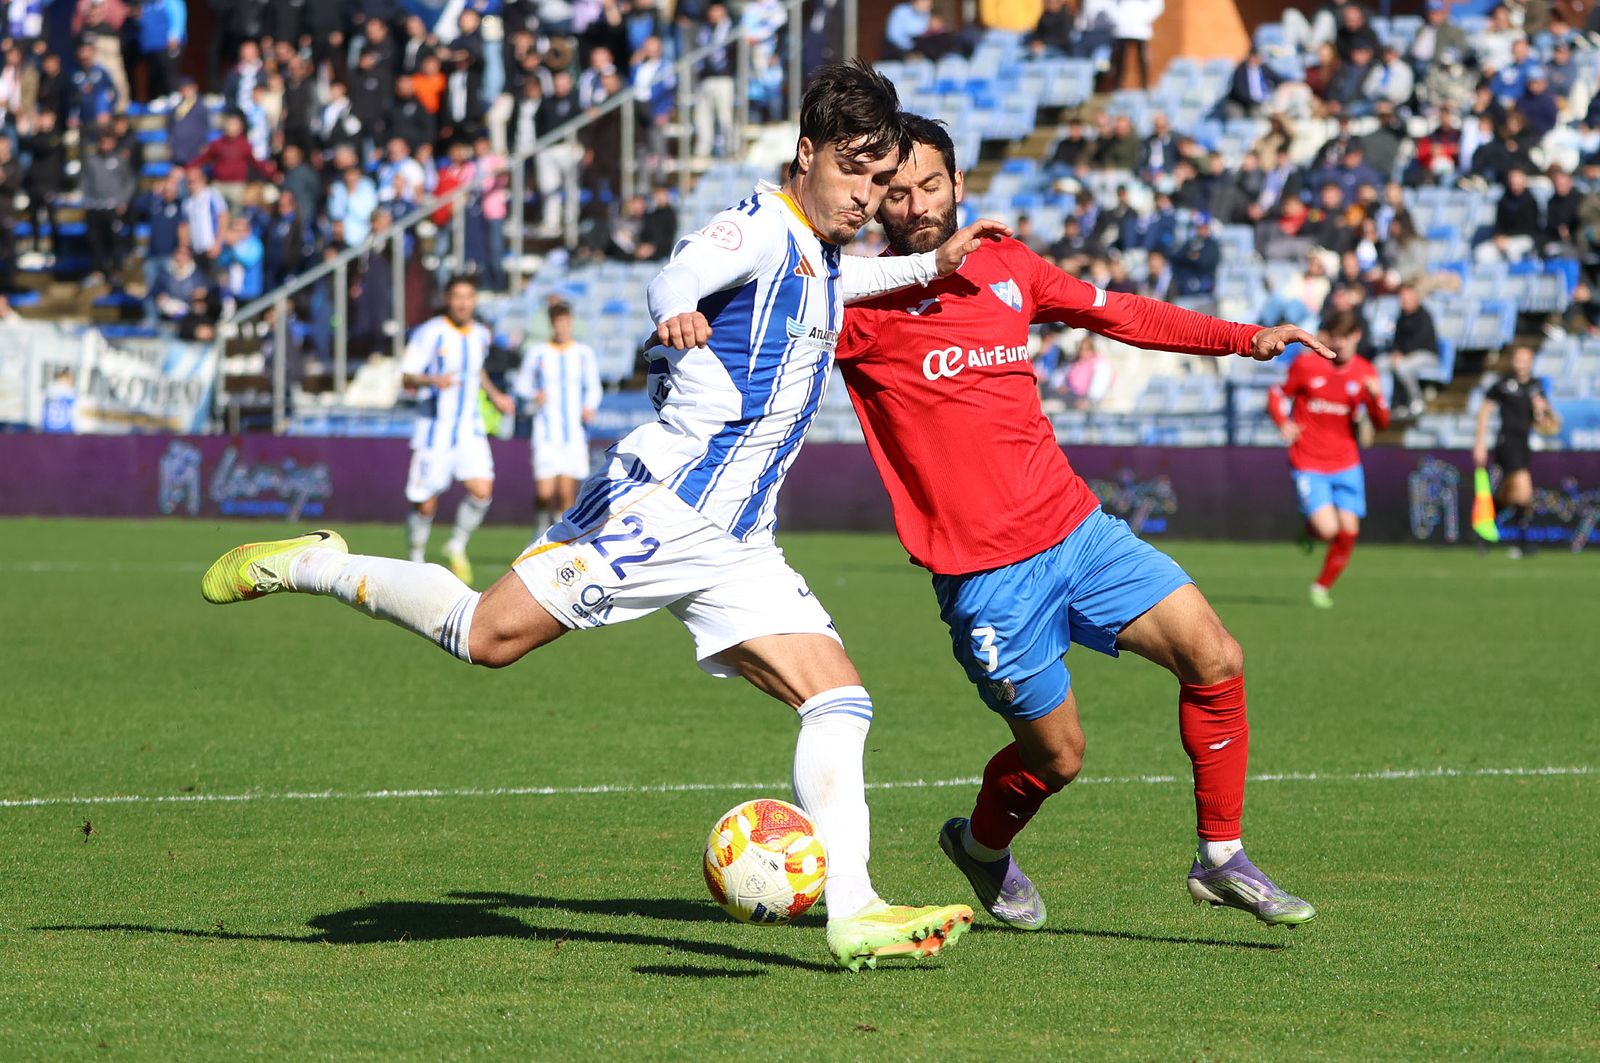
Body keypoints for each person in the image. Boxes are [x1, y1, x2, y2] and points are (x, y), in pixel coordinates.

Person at [199, 62, 1008, 972]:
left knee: (840, 699)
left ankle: (853, 908)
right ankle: (315, 562)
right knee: (485, 636)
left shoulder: (821, 252)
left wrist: (930, 264)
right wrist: (678, 318)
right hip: (663, 511)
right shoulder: (755, 226)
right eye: (854, 171)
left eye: (879, 178)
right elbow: (681, 274)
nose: (867, 195)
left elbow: (838, 290)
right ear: (807, 153)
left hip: (737, 538)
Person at [834, 114, 1323, 932]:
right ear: (876, 202)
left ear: (959, 186)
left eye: (929, 185)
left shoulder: (1007, 264)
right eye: (897, 191)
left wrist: (1244, 339)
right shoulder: (856, 305)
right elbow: (763, 320)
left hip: (1077, 530)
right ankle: (982, 847)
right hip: (985, 576)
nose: (915, 203)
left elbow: (1118, 312)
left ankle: (1221, 856)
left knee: (1215, 654)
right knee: (1057, 757)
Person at [393, 276, 515, 583]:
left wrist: (494, 393)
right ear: (447, 299)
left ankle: (456, 544)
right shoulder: (430, 333)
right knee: (424, 503)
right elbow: (407, 377)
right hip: (435, 429)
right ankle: (416, 558)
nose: (463, 303)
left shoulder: (480, 334)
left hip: (469, 428)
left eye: (468, 297)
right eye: (457, 296)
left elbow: (477, 370)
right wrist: (432, 381)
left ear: (474, 300)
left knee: (482, 490)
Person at [1267, 310, 1390, 608]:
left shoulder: (1365, 372)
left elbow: (1382, 422)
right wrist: (1282, 421)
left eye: (1345, 337)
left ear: (1356, 337)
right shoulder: (1307, 365)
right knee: (1328, 530)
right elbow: (1276, 393)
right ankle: (1309, 528)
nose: (1340, 343)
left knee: (1349, 531)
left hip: (1346, 462)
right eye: (1335, 337)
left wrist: (1375, 399)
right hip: (1309, 461)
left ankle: (1321, 586)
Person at [514, 302, 602, 536]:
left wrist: (589, 406)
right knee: (544, 493)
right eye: (557, 323)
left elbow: (594, 386)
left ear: (570, 323)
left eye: (565, 322)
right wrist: (534, 395)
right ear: (552, 325)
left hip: (574, 433)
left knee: (566, 494)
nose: (562, 327)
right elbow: (521, 384)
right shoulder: (538, 353)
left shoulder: (583, 353)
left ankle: (556, 538)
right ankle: (539, 528)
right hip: (546, 431)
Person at [1473, 344, 1556, 558]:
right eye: (1518, 359)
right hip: (1507, 443)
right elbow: (1484, 412)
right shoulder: (1502, 384)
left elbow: (1548, 424)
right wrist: (1480, 442)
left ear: (1531, 362)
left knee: (1508, 495)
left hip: (1524, 444)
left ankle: (1482, 530)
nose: (1521, 363)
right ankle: (1523, 542)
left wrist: (1542, 411)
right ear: (1512, 361)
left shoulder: (1536, 387)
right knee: (1524, 492)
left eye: (1525, 359)